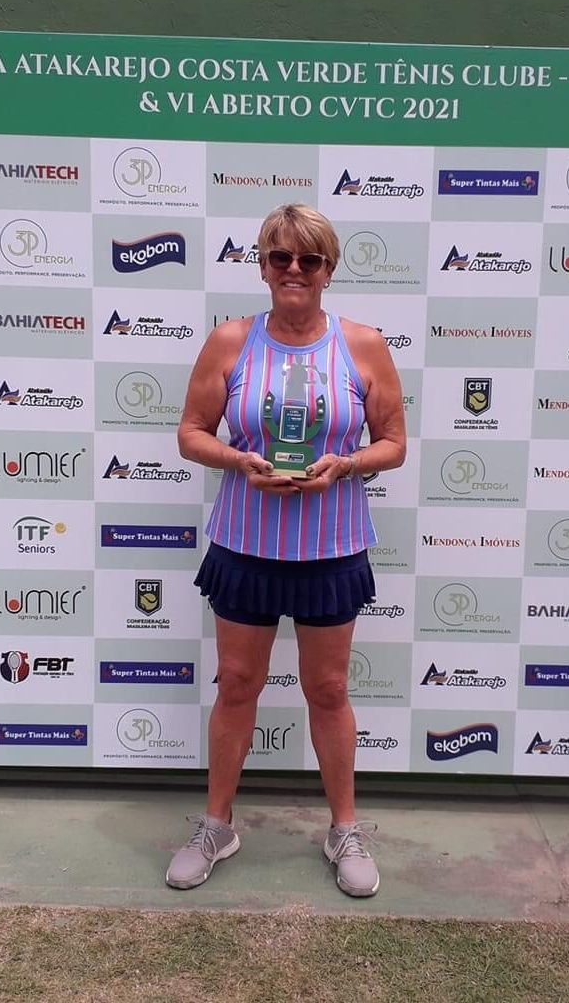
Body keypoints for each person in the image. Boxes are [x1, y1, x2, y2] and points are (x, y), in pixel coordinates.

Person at [166, 203, 406, 898]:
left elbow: (393, 443)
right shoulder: (230, 341)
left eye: (309, 259)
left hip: (330, 548)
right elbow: (190, 433)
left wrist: (345, 465)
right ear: (263, 267)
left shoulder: (363, 344)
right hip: (246, 545)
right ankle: (217, 825)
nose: (293, 269)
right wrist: (239, 461)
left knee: (328, 689)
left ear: (329, 269)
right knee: (238, 684)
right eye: (280, 257)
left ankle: (344, 829)